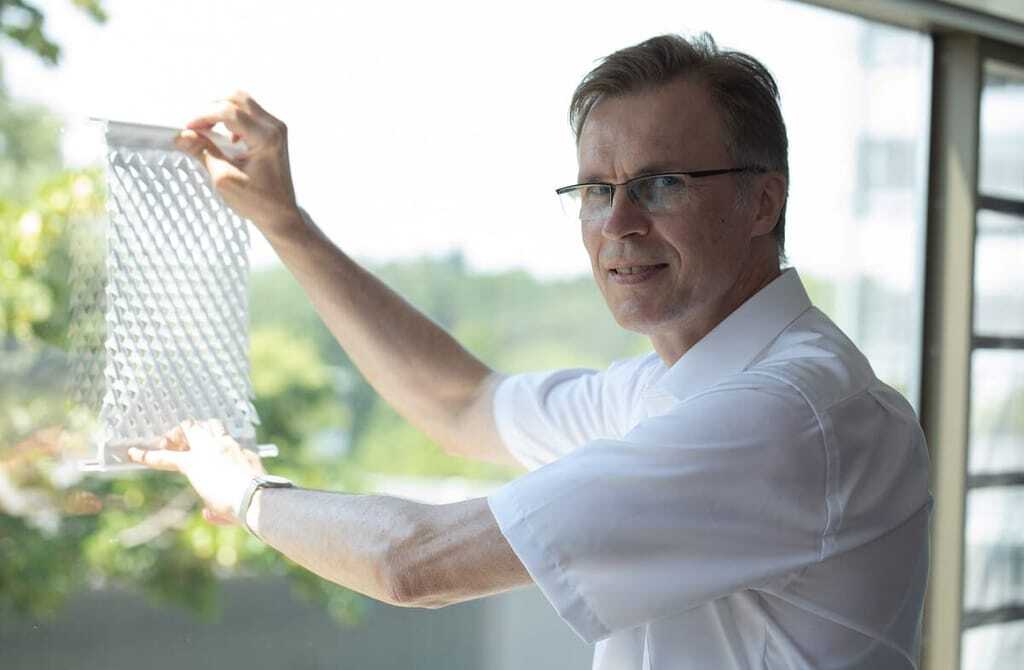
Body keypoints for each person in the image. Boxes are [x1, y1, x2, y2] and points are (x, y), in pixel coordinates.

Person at [129, 33, 932, 669]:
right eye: (596, 189)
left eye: (662, 184)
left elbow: (414, 562)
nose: (618, 223)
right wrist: (285, 223)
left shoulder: (787, 415)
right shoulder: (665, 390)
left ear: (763, 200)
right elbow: (462, 406)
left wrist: (245, 492)